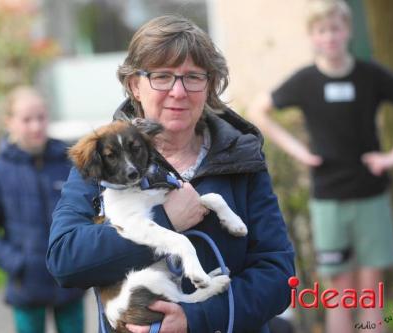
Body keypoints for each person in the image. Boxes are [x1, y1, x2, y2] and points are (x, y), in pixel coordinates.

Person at [46, 15, 295, 333]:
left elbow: (277, 272)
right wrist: (165, 221)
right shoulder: (103, 160)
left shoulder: (241, 157)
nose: (178, 91)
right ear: (135, 85)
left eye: (193, 77)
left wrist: (196, 319)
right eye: (162, 76)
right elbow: (65, 261)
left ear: (209, 85)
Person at [247, 1, 393, 332]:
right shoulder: (305, 81)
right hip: (328, 198)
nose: (330, 36)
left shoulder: (371, 74)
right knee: (339, 290)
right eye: (322, 30)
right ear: (313, 37)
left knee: (371, 288)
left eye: (335, 28)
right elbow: (258, 109)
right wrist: (299, 152)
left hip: (371, 194)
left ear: (347, 31)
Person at [0, 86, 85, 333]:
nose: (36, 126)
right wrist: (17, 263)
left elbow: (87, 212)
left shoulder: (70, 162)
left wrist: (79, 255)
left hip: (70, 282)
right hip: (26, 285)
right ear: (9, 122)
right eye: (26, 120)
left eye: (41, 117)